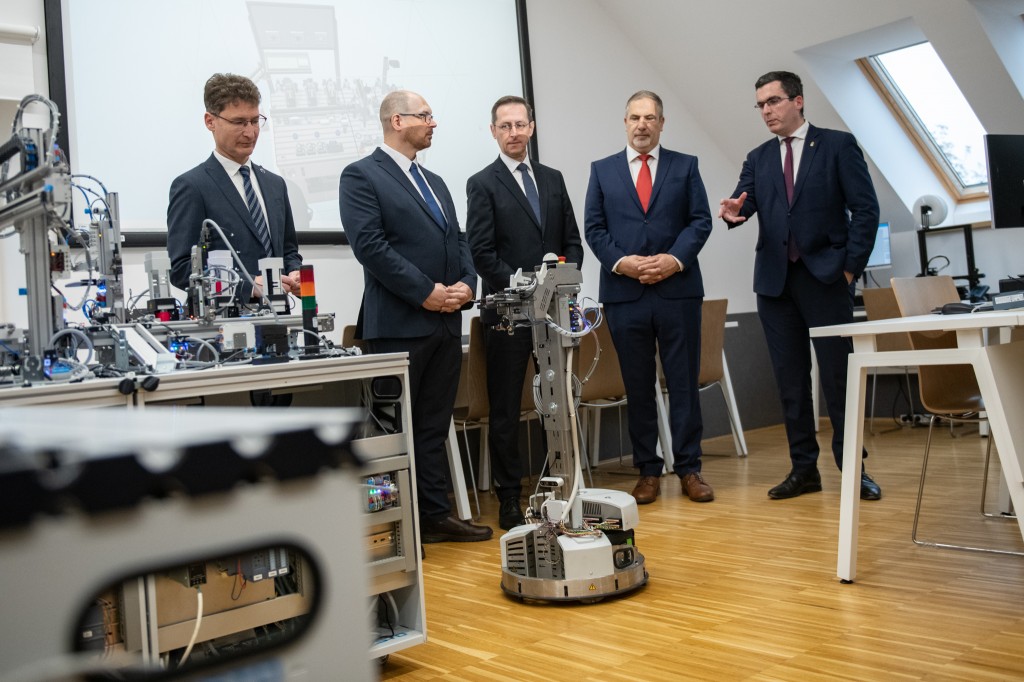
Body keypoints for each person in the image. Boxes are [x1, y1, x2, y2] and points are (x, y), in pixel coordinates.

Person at [718, 70, 882, 501]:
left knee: (839, 379)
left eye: (773, 101)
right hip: (775, 285)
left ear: (798, 101)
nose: (766, 111)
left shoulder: (837, 145)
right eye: (760, 105)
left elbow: (866, 210)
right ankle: (804, 469)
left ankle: (854, 468)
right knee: (790, 381)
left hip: (827, 278)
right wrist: (734, 212)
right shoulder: (758, 158)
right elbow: (744, 203)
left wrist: (849, 270)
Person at [339, 90, 493, 543]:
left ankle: (434, 517)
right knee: (391, 431)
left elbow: (458, 240)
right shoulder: (362, 175)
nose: (433, 123)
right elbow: (371, 247)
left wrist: (467, 284)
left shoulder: (436, 182)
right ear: (397, 120)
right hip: (397, 326)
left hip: (445, 322)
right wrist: (425, 292)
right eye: (425, 115)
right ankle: (394, 529)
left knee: (431, 427)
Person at [584, 90, 714, 505]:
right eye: (635, 117)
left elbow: (700, 221)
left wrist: (674, 260)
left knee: (683, 382)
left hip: (678, 291)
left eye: (650, 117)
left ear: (661, 123)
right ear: (625, 123)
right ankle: (648, 471)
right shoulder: (602, 170)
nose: (642, 124)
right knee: (638, 386)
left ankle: (690, 468)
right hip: (625, 295)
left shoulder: (685, 166)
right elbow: (594, 229)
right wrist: (622, 263)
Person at [466, 95, 585, 530]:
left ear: (531, 127)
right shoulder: (482, 183)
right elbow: (481, 252)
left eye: (520, 124)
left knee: (558, 403)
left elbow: (572, 241)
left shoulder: (552, 179)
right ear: (493, 132)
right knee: (505, 409)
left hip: (554, 314)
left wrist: (563, 281)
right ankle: (509, 498)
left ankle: (562, 487)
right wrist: (526, 289)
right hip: (508, 315)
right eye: (505, 126)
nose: (514, 132)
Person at [168, 73, 302, 304]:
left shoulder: (275, 185)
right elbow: (182, 269)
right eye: (239, 122)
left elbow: (288, 250)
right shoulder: (192, 186)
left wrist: (295, 272)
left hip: (278, 316)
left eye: (255, 121)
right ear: (210, 121)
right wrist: (248, 286)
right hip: (222, 319)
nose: (250, 133)